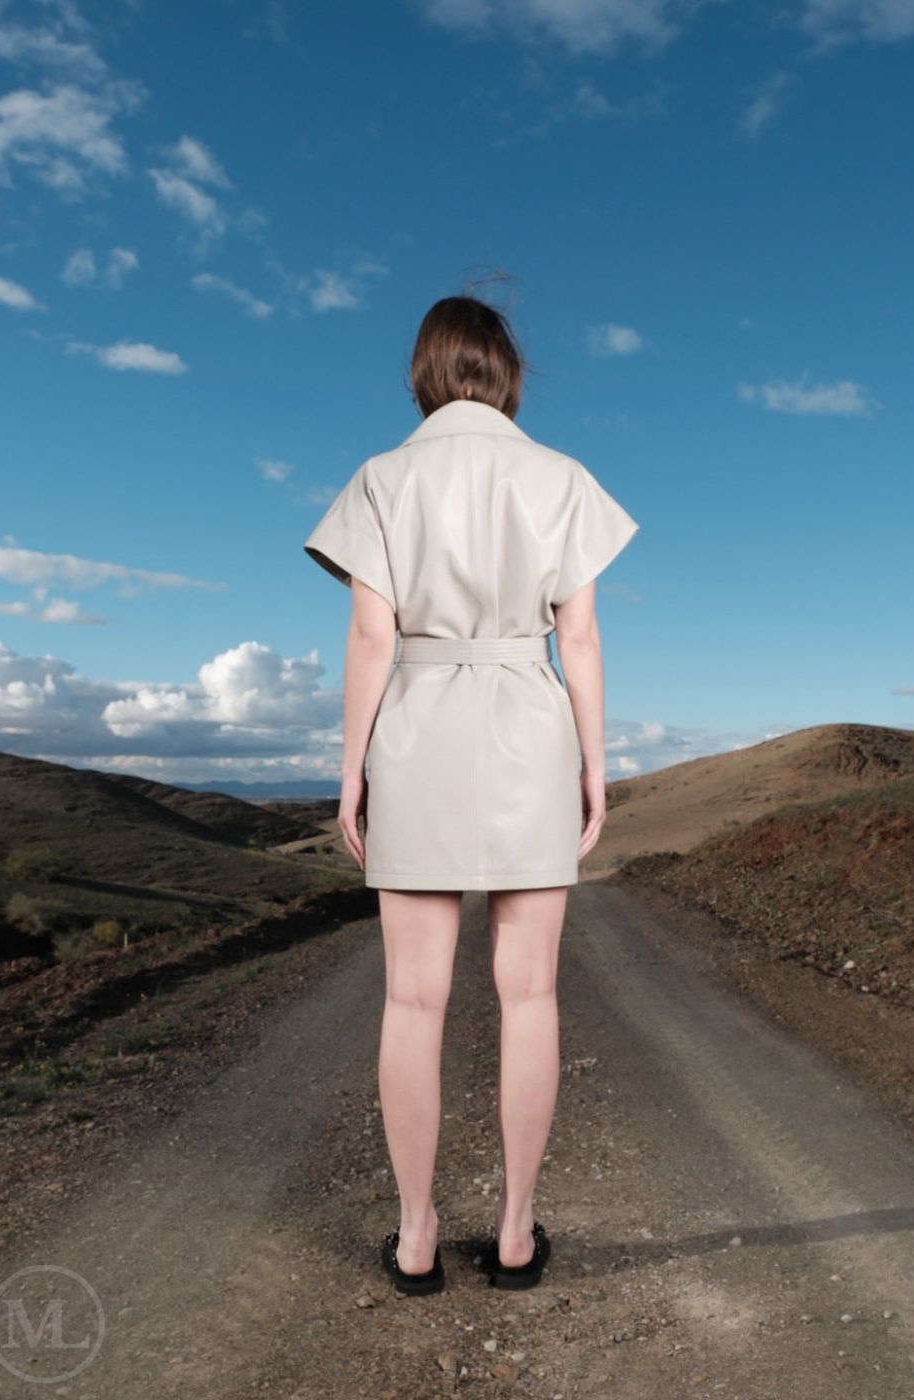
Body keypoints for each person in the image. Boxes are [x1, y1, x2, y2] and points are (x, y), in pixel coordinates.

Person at [304, 293, 640, 1294]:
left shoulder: (382, 479)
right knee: (528, 991)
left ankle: (414, 1237)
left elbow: (372, 637)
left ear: (422, 373)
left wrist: (351, 768)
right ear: (507, 374)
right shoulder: (560, 478)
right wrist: (592, 760)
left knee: (413, 997)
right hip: (528, 728)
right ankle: (516, 1230)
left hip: (415, 728)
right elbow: (575, 638)